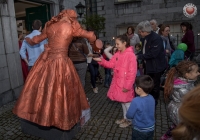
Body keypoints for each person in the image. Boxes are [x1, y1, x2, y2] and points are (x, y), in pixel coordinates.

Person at [13, 9, 100, 131]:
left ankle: (44, 115)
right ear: (71, 18)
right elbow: (90, 36)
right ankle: (60, 118)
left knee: (44, 89)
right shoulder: (72, 27)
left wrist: (27, 39)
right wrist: (95, 42)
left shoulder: (50, 24)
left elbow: (36, 40)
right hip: (62, 62)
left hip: (46, 62)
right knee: (63, 90)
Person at [93, 35, 137, 128]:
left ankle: (130, 120)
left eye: (118, 44)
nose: (116, 46)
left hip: (125, 84)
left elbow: (132, 73)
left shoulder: (130, 55)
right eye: (116, 44)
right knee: (123, 102)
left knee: (128, 103)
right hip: (118, 82)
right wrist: (101, 60)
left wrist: (127, 86)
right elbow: (111, 64)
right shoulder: (118, 53)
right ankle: (125, 118)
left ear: (125, 43)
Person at [161, 60, 199, 139]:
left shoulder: (183, 84)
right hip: (181, 117)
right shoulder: (184, 90)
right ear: (187, 75)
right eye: (196, 72)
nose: (198, 73)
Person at [136, 20, 166, 106]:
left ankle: (153, 103)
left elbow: (153, 54)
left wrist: (138, 57)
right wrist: (136, 55)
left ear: (144, 31)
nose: (139, 33)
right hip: (148, 66)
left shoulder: (156, 38)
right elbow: (142, 51)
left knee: (154, 86)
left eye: (140, 31)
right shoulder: (144, 38)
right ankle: (148, 100)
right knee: (148, 84)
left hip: (156, 67)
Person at [126, 75, 155, 140]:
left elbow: (129, 115)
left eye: (135, 86)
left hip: (139, 129)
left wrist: (127, 116)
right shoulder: (151, 98)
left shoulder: (136, 101)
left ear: (139, 89)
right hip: (151, 128)